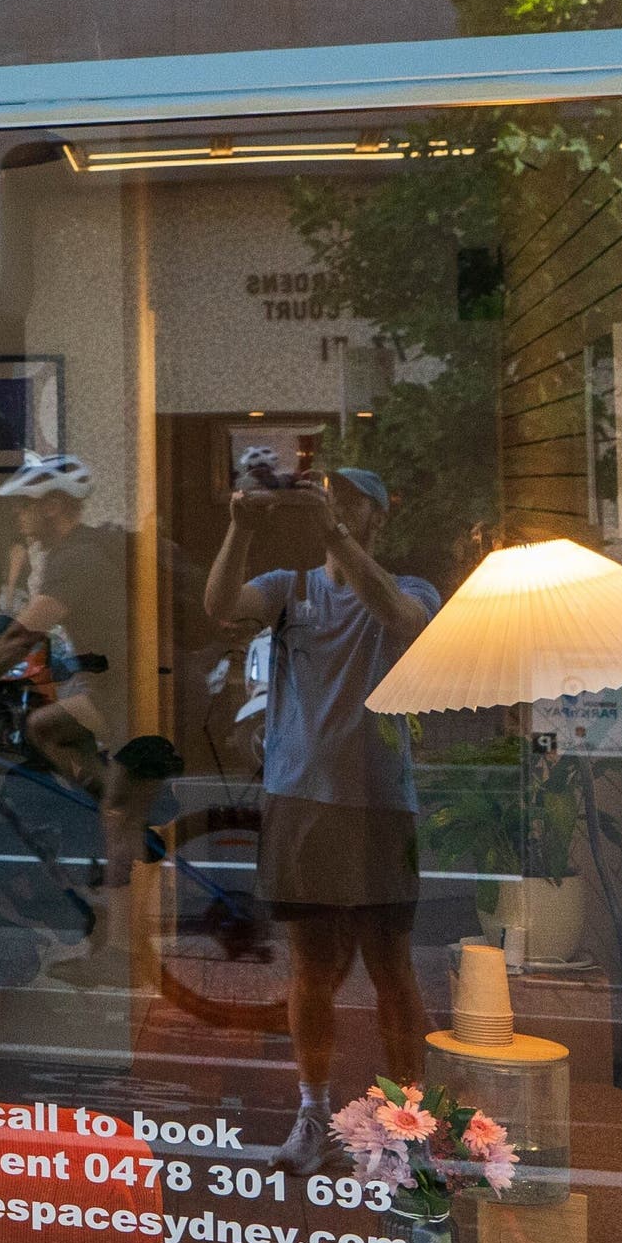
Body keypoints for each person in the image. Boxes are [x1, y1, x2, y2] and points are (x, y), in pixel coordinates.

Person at [205, 466, 440, 1169]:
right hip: (299, 799)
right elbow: (219, 602)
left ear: (377, 517)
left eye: (353, 499)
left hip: (379, 802)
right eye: (329, 494)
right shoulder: (288, 588)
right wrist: (242, 525)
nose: (336, 504)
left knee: (391, 965)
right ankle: (312, 1116)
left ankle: (407, 1128)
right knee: (310, 967)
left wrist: (331, 530)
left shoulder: (410, 588)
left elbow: (402, 619)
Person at [0, 452, 138, 971]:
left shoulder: (77, 557)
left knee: (116, 817)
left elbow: (20, 635)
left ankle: (118, 951)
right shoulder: (79, 549)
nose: (19, 517)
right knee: (43, 725)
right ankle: (116, 800)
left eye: (25, 507)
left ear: (52, 505)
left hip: (130, 695)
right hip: (109, 688)